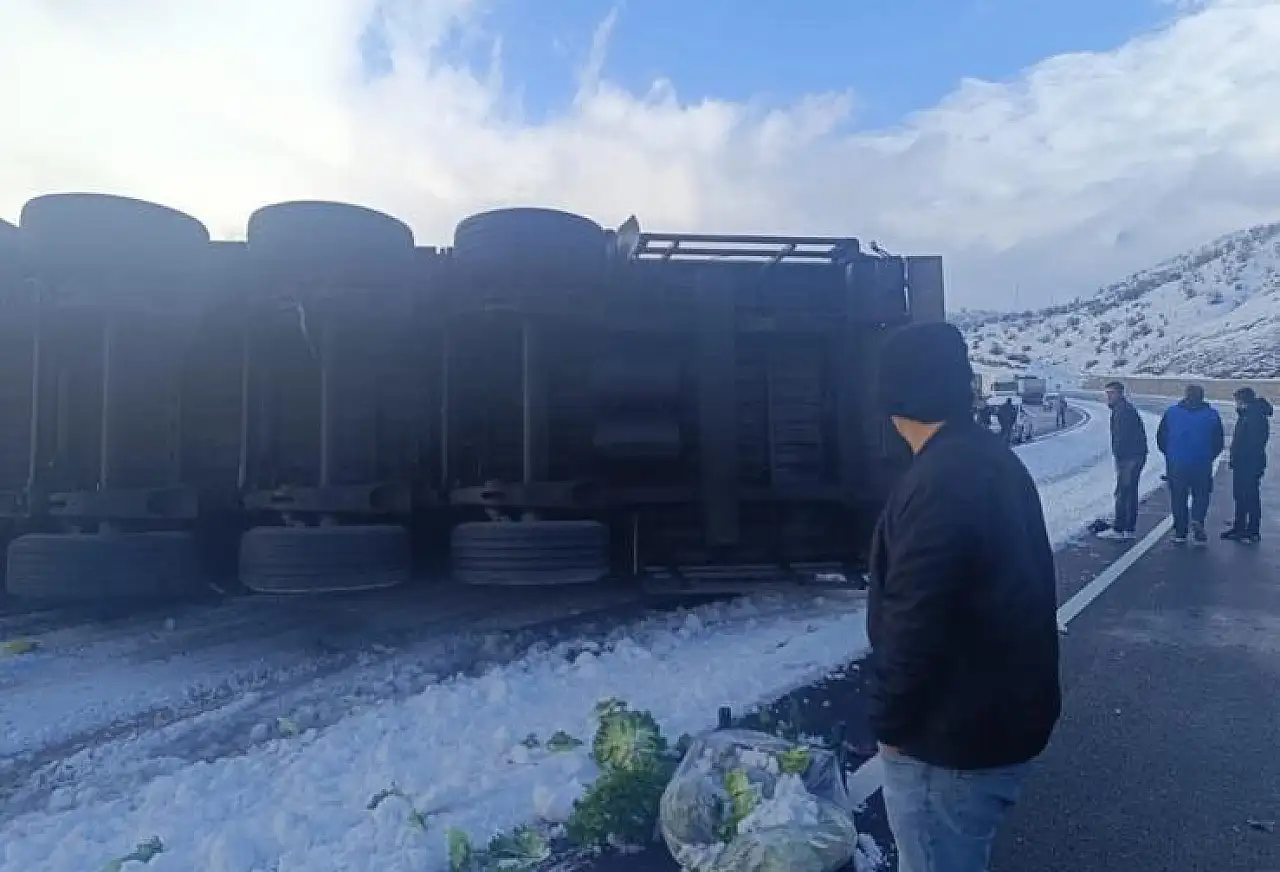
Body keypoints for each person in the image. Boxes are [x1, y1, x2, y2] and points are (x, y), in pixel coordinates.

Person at [868, 322, 1061, 872]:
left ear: (895, 396)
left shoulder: (941, 480)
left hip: (950, 737)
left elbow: (915, 615)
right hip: (995, 719)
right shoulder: (985, 460)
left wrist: (890, 727)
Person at [1156, 384, 1224, 545]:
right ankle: (1198, 519)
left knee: (1178, 497)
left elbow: (1161, 437)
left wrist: (1171, 454)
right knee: (1201, 494)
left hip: (1177, 463)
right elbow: (1218, 441)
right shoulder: (1212, 415)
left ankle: (1180, 532)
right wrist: (1208, 456)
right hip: (1202, 463)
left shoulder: (1172, 412)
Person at [1096, 381, 1147, 541]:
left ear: (1120, 393)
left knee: (1123, 493)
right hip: (1134, 455)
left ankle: (1120, 529)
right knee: (1129, 492)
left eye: (1111, 393)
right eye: (1107, 393)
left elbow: (1121, 437)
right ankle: (1127, 527)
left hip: (1129, 457)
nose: (1108, 397)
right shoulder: (1124, 409)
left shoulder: (1122, 411)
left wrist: (1118, 455)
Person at [1222, 387, 1272, 543]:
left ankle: (1252, 531)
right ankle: (1240, 527)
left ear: (1245, 401)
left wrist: (1240, 457)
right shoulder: (1247, 415)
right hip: (1242, 463)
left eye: (1238, 401)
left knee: (1250, 497)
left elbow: (1253, 443)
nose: (1236, 404)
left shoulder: (1255, 417)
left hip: (1250, 463)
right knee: (1240, 496)